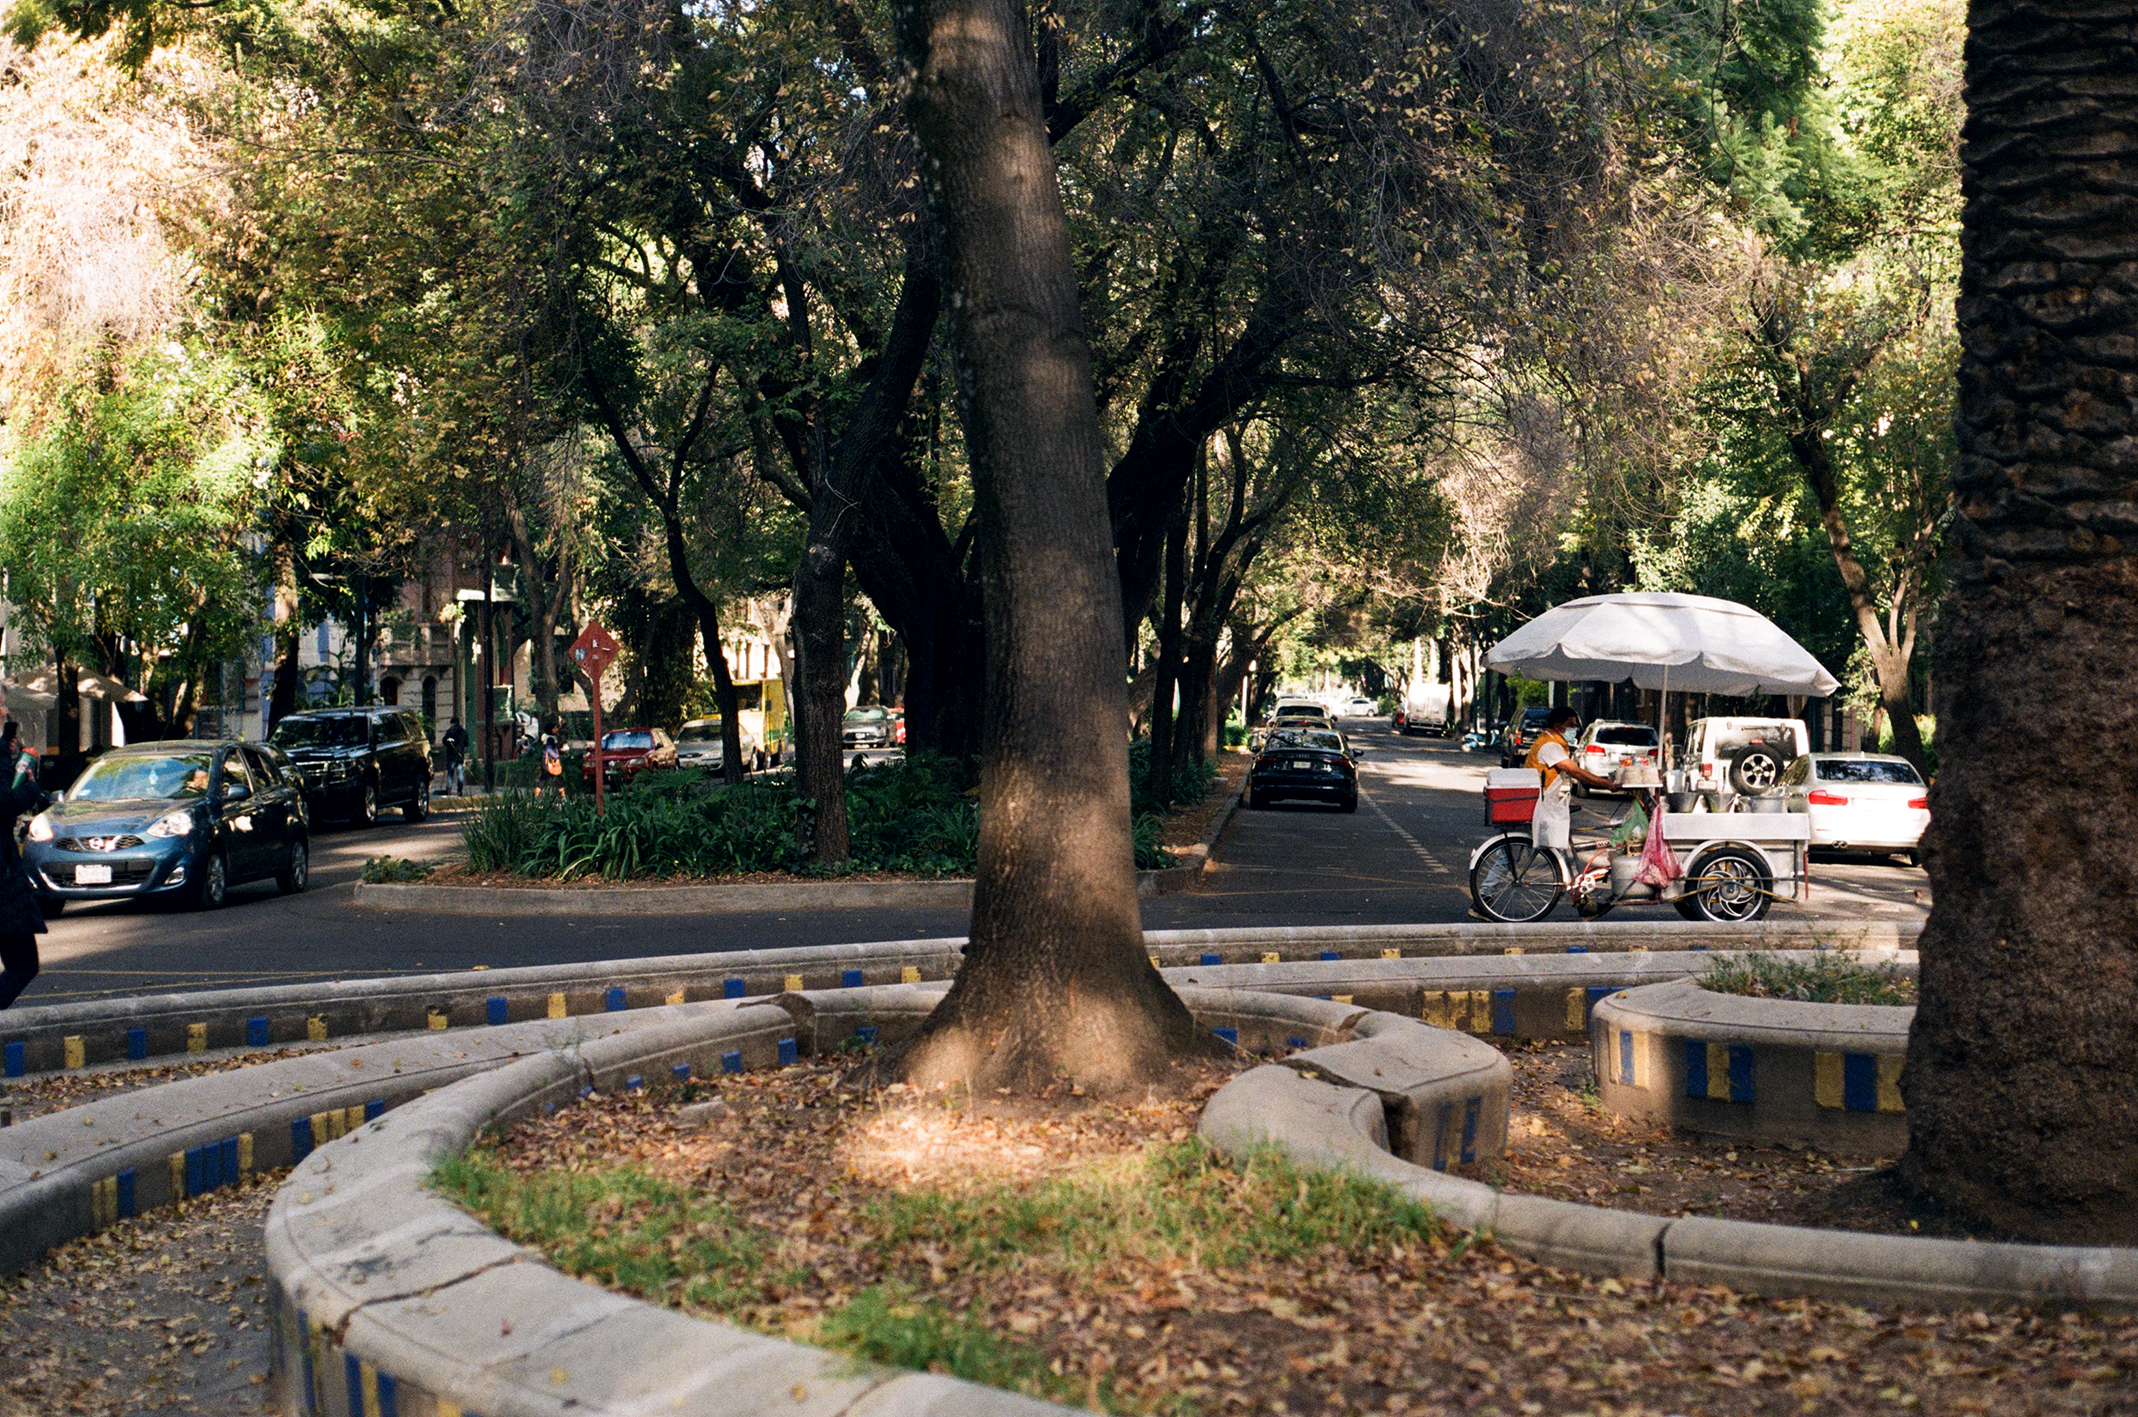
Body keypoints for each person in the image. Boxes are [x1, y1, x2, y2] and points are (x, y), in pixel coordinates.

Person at [1524, 706, 1617, 867]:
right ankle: (1491, 882)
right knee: (1516, 853)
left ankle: (1565, 878)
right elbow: (1576, 772)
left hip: (1542, 802)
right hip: (1540, 804)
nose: (1574, 730)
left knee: (1558, 848)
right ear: (1558, 726)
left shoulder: (1549, 739)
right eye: (1571, 725)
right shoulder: (1550, 746)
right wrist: (1606, 784)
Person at [0, 721, 50, 1010]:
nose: (7, 712)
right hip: (4, 878)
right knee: (23, 965)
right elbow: (4, 803)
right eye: (3, 705)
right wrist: (31, 788)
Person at [441, 717, 470, 795]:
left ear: (452, 723)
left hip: (451, 756)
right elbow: (466, 743)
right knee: (460, 774)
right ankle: (460, 790)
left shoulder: (449, 732)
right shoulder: (463, 732)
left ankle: (449, 789)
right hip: (459, 756)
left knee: (450, 774)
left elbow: (444, 742)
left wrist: (449, 743)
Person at [540, 721, 564, 798]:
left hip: (545, 761)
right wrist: (556, 757)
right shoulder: (550, 739)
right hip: (551, 762)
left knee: (542, 780)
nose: (556, 729)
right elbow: (549, 749)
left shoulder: (547, 738)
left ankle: (536, 798)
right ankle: (564, 798)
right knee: (558, 780)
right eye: (554, 728)